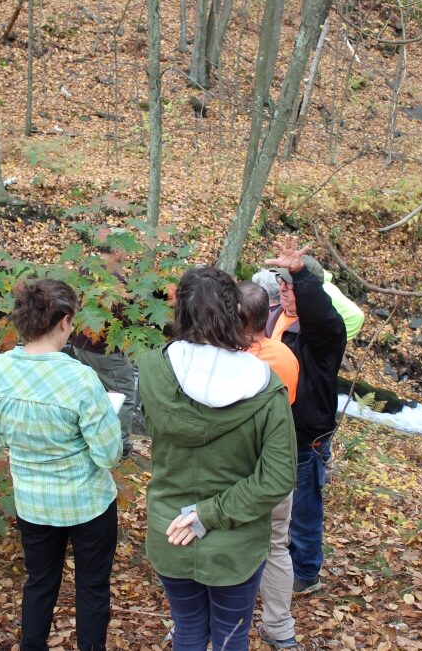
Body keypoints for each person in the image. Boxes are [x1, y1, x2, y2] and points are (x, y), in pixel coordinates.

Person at [139, 266, 296, 651]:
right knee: (229, 637)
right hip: (235, 543)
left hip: (171, 526)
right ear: (233, 310)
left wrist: (201, 516)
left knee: (189, 629)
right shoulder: (264, 384)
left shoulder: (154, 368)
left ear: (181, 313)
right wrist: (208, 515)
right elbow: (278, 478)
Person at [0, 279, 122, 651]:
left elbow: (3, 435)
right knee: (92, 587)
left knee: (39, 582)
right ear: (63, 320)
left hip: (33, 500)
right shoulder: (79, 379)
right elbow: (108, 455)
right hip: (87, 502)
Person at [265, 238, 347, 595]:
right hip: (271, 429)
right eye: (281, 282)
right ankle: (277, 561)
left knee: (304, 508)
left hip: (304, 435)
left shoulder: (325, 329)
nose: (284, 290)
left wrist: (302, 276)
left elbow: (321, 314)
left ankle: (306, 572)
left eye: (291, 284)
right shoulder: (274, 316)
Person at [238, 281, 301, 649]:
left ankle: (197, 626)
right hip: (276, 463)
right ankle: (280, 628)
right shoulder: (284, 355)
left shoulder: (232, 362)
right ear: (267, 315)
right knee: (277, 545)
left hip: (240, 467)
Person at [71, 230, 137, 458]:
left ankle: (92, 437)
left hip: (80, 343)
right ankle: (120, 447)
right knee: (125, 392)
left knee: (94, 392)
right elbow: (127, 317)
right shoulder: (113, 281)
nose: (128, 253)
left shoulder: (85, 270)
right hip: (103, 350)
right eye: (127, 248)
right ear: (117, 250)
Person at [253, 266, 365, 342]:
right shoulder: (283, 308)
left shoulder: (320, 301)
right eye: (281, 280)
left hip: (350, 320)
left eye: (289, 283)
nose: (282, 288)